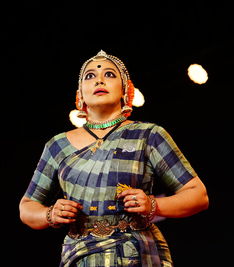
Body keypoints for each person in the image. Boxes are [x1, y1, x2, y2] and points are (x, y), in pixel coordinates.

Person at [19, 50, 209, 267]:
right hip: (81, 256)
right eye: (89, 76)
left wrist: (153, 205)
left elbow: (197, 195)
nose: (99, 79)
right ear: (80, 93)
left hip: (137, 254)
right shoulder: (57, 145)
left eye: (109, 74)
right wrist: (50, 214)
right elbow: (27, 207)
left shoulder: (148, 135)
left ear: (125, 89)